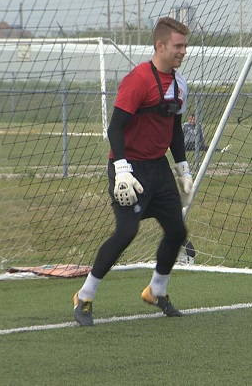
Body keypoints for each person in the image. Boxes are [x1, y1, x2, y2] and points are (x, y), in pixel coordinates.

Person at [72, 17, 192, 326]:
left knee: (178, 231)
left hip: (158, 167)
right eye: (178, 46)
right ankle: (84, 295)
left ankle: (156, 291)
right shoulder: (137, 80)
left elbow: (175, 130)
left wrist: (182, 168)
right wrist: (122, 170)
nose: (183, 51)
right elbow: (115, 129)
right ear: (160, 45)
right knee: (127, 232)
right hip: (129, 167)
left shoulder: (180, 85)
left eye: (185, 46)